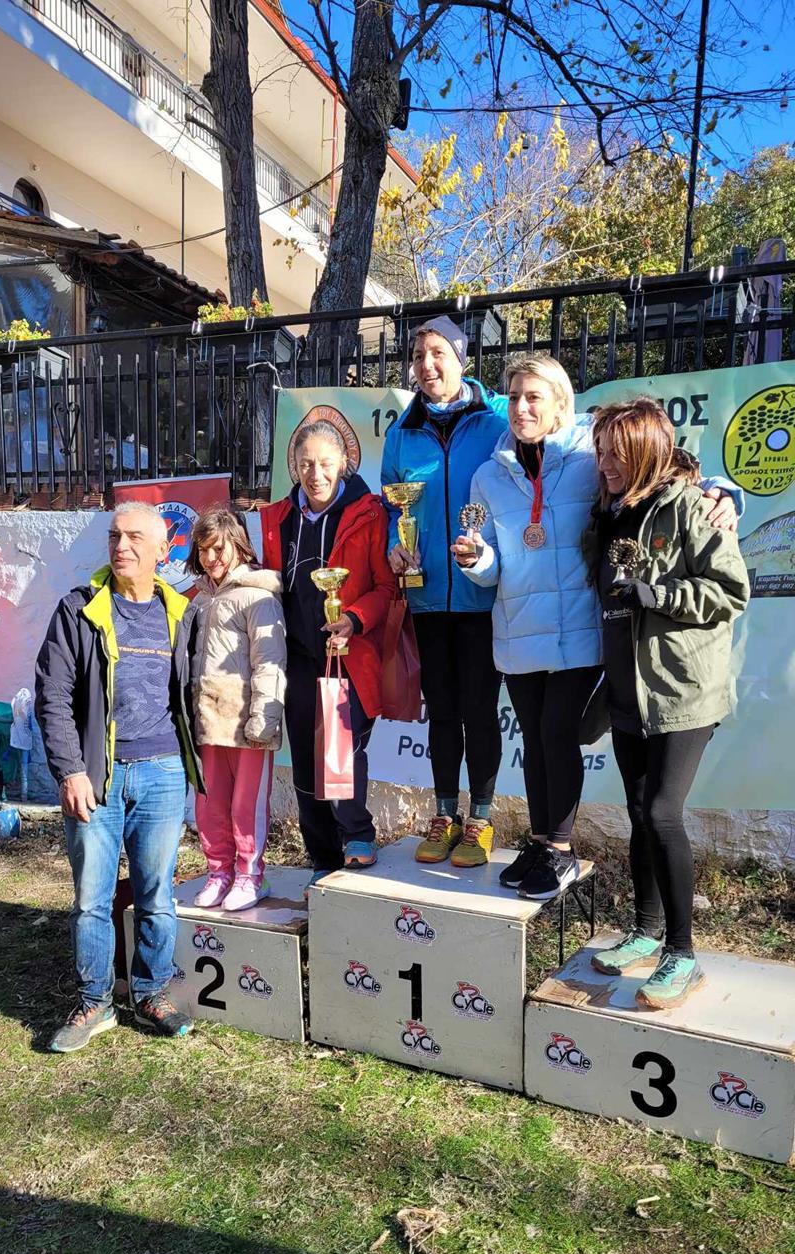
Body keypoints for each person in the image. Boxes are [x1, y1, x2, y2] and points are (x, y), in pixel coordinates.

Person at [452, 356, 743, 901]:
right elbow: (492, 567)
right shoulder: (488, 475)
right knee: (535, 742)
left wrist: (724, 491)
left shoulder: (592, 453)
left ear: (561, 402)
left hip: (580, 632)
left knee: (557, 734)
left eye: (534, 397)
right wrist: (476, 559)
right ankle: (540, 840)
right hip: (519, 629)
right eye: (513, 397)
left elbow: (663, 468)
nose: (520, 408)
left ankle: (560, 850)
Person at [584, 399, 749, 1008]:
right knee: (636, 811)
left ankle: (683, 953)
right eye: (601, 453)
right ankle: (647, 931)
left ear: (648, 453)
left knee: (660, 813)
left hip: (681, 690)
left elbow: (730, 591)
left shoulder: (692, 506)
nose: (606, 465)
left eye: (618, 455)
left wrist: (657, 594)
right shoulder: (606, 512)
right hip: (627, 689)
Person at [35, 502, 202, 1053]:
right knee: (92, 899)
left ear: (162, 551)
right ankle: (95, 1002)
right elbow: (53, 696)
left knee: (156, 894)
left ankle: (151, 993)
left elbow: (194, 690)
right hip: (96, 777)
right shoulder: (79, 609)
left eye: (134, 537)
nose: (121, 546)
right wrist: (70, 770)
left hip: (163, 773)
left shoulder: (181, 612)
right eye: (114, 536)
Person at [381, 315, 508, 867]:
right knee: (443, 712)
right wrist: (397, 545)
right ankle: (444, 814)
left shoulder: (498, 418)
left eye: (438, 354)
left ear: (461, 358)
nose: (427, 365)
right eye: (418, 356)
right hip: (428, 594)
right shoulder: (402, 431)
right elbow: (393, 507)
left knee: (479, 709)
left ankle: (480, 819)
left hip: (483, 593)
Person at [260, 419, 397, 883]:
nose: (315, 474)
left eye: (324, 463)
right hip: (298, 656)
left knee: (341, 749)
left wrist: (353, 619)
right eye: (305, 464)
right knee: (304, 758)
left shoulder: (368, 513)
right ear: (294, 467)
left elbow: (386, 588)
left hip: (348, 654)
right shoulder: (278, 518)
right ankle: (322, 858)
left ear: (343, 463)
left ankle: (357, 834)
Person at [187, 506, 286, 912]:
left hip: (247, 724)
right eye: (204, 550)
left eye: (219, 548)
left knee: (246, 804)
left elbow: (270, 661)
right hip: (208, 723)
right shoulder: (198, 600)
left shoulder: (259, 597)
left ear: (240, 546)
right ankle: (219, 872)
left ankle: (249, 874)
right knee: (209, 803)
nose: (211, 558)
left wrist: (264, 718)